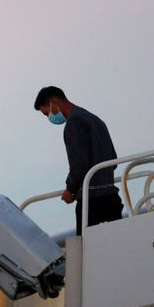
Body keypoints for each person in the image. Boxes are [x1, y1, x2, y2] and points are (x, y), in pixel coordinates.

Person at [34, 86, 123, 236]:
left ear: (54, 102)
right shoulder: (95, 119)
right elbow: (113, 160)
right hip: (111, 197)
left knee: (89, 251)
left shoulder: (74, 123)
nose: (49, 117)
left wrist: (70, 190)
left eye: (46, 113)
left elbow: (79, 164)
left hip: (92, 202)